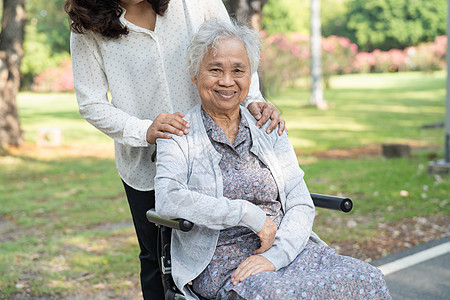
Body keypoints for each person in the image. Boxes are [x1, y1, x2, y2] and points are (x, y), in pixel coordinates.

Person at [154, 18, 392, 300]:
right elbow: (168, 199)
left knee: (366, 277)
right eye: (214, 69)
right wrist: (248, 214)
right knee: (277, 294)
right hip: (221, 261)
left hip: (286, 249)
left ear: (250, 75)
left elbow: (300, 200)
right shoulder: (179, 132)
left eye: (238, 70)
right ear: (195, 74)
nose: (227, 81)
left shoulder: (267, 125)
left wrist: (276, 256)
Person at [64, 0, 285, 299]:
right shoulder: (87, 26)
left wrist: (253, 99)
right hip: (145, 167)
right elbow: (91, 103)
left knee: (231, 246)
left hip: (218, 154)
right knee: (158, 260)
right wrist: (142, 130)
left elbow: (233, 45)